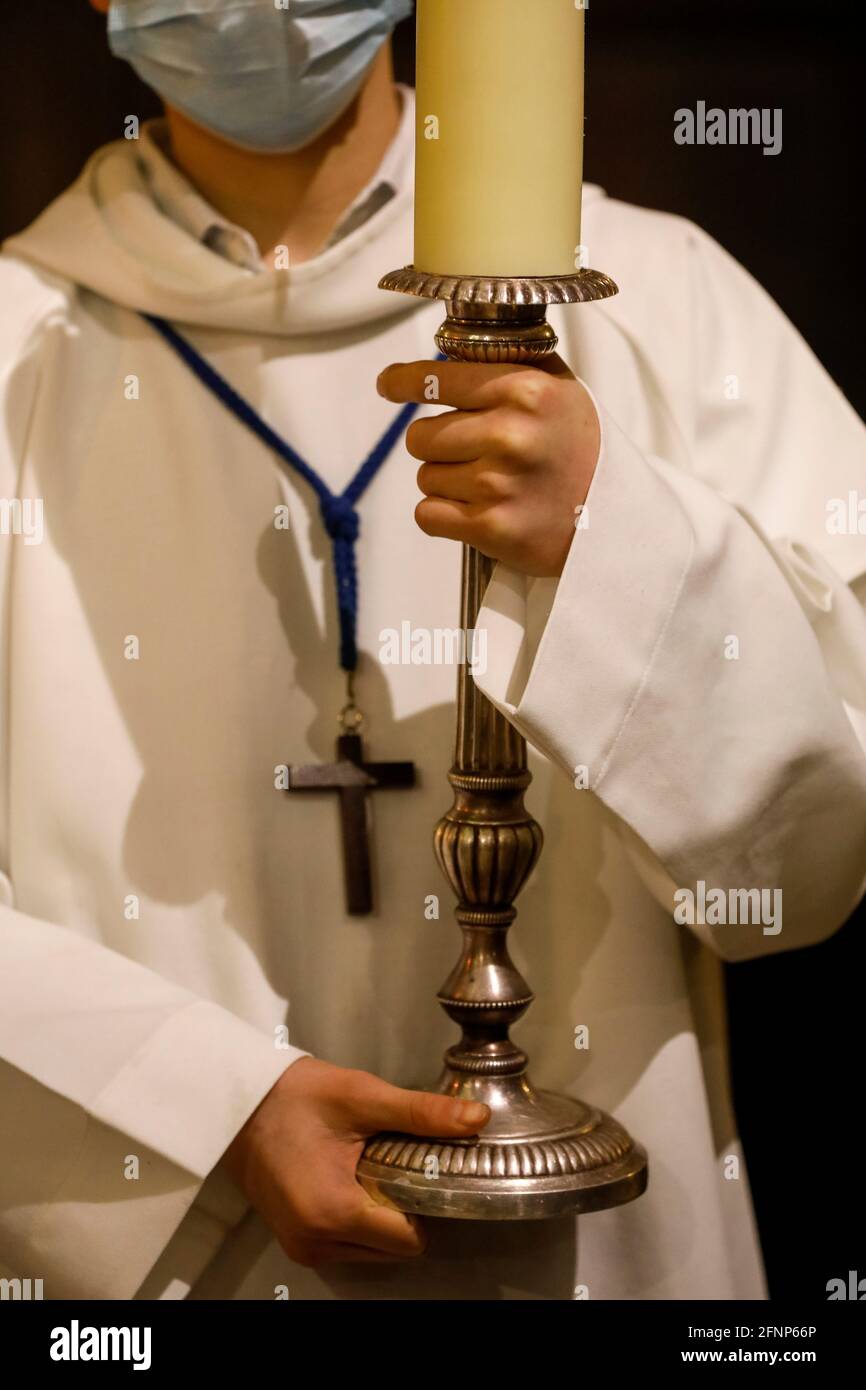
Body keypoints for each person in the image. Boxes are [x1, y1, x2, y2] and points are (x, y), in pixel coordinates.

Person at [1, 0, 864, 1302]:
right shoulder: (17, 345)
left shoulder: (660, 300)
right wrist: (207, 1100)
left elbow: (814, 865)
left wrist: (613, 536)